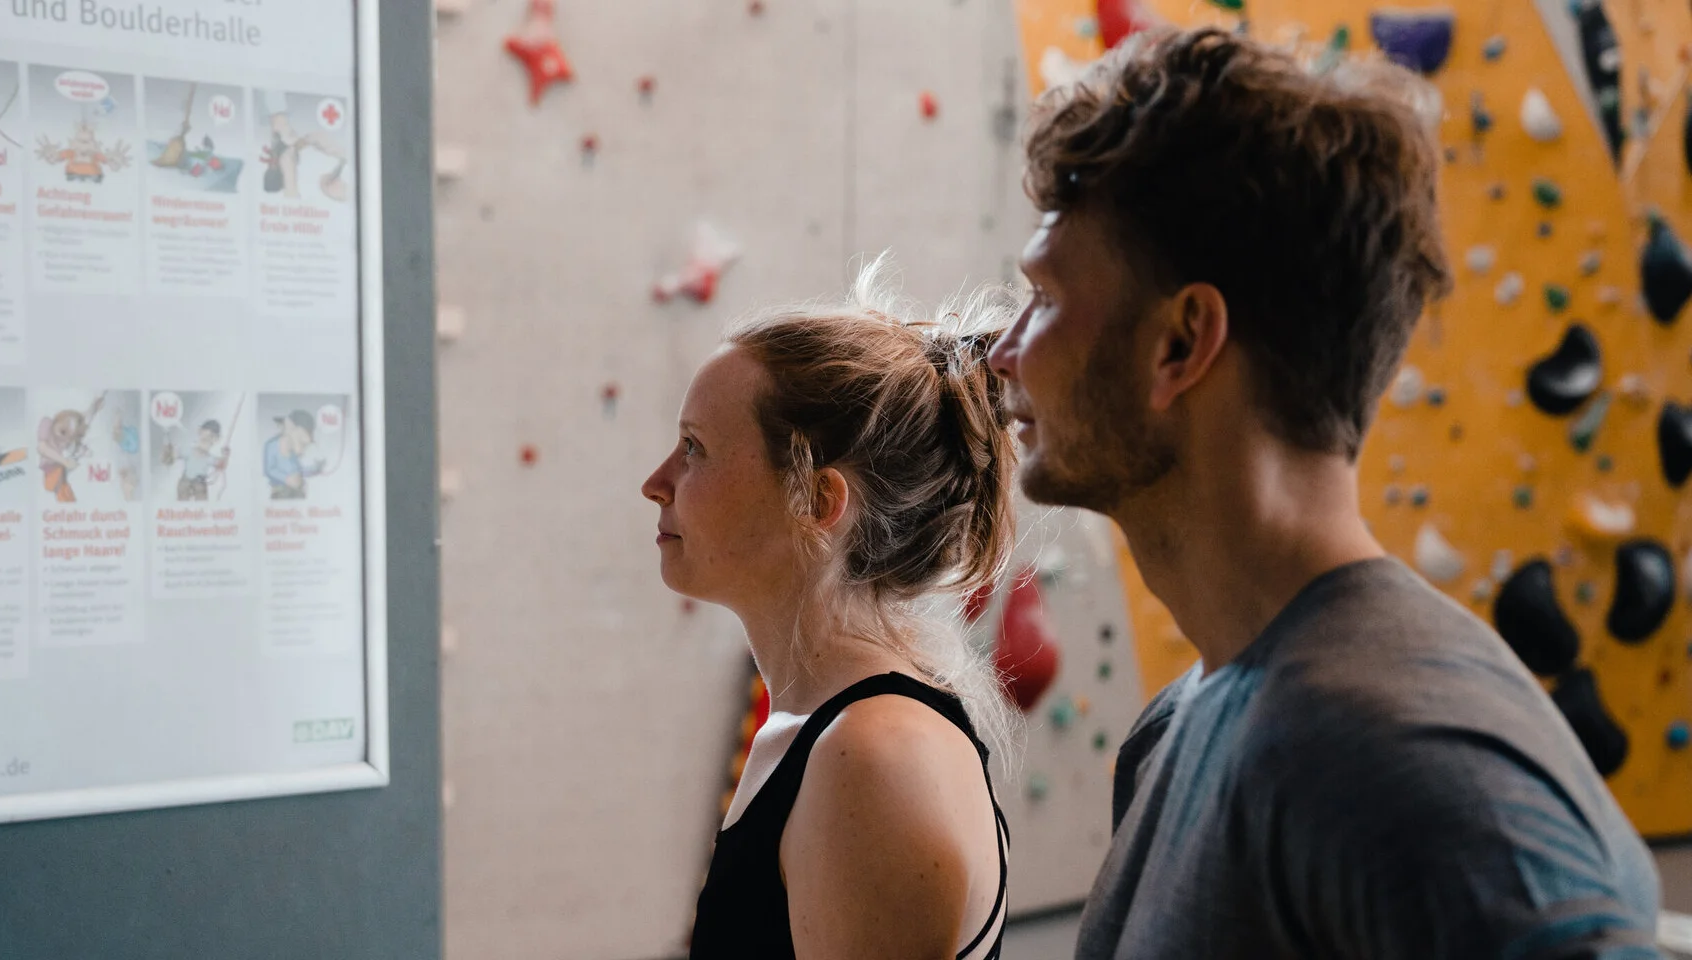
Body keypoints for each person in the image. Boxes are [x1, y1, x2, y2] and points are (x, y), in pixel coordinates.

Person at [986, 26, 1662, 958]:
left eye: (1047, 300)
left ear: (1181, 344)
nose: (1003, 351)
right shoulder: (1183, 726)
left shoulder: (1403, 758)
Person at [646, 259, 1018, 960]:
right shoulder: (820, 732)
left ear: (817, 502)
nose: (655, 483)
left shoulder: (874, 758)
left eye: (694, 449)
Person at [264, 409, 326, 500]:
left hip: (298, 492)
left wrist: (315, 469)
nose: (303, 450)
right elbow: (269, 470)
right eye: (302, 442)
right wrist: (286, 479)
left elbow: (299, 471)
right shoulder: (272, 445)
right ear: (290, 427)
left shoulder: (293, 454)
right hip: (280, 493)